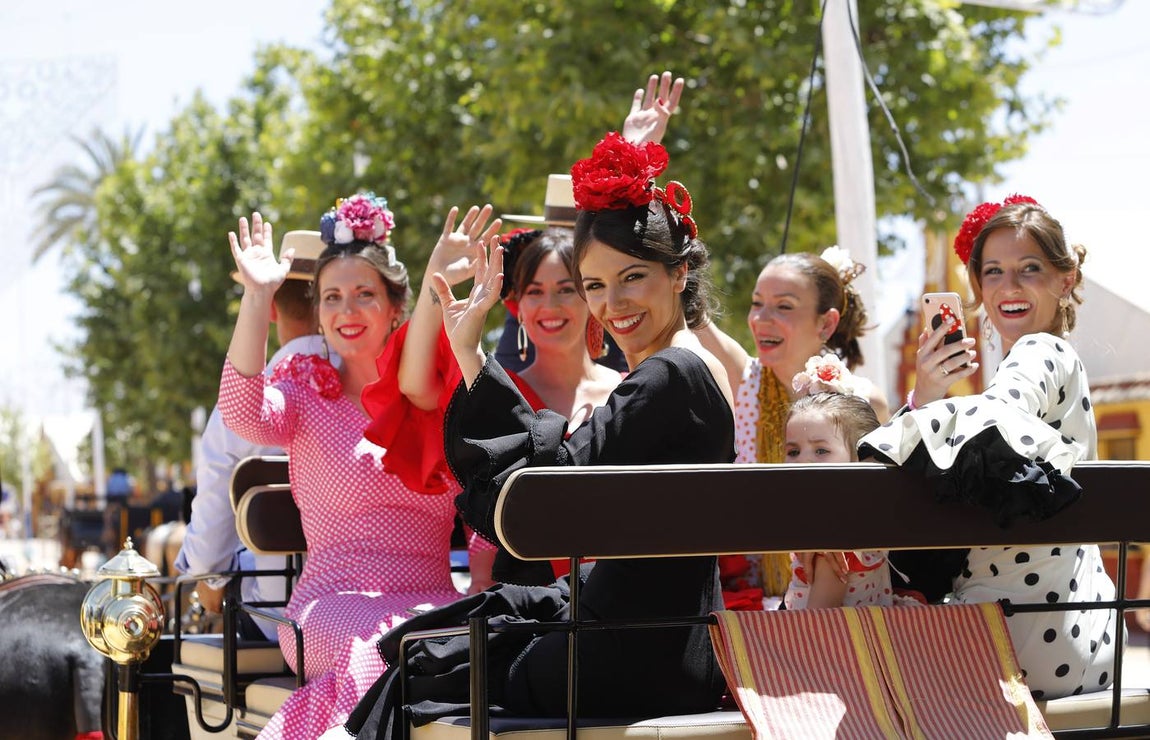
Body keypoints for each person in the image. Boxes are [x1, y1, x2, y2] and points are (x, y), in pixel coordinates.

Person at [346, 131, 733, 739]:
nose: (613, 303)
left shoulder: (668, 375)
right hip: (674, 648)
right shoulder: (702, 368)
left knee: (431, 668)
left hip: (620, 656)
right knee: (448, 639)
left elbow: (546, 490)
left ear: (679, 272)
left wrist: (471, 354)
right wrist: (469, 352)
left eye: (632, 277)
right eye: (595, 285)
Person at [219, 195, 475, 739]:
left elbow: (482, 509)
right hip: (327, 609)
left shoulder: (435, 398)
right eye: (332, 298)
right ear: (318, 314)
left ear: (396, 307)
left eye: (364, 295)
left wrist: (482, 586)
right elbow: (242, 413)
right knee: (390, 648)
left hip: (433, 601)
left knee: (491, 644)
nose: (347, 311)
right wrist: (257, 297)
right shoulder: (306, 388)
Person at [858, 195, 1119, 700]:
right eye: (994, 271)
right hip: (1078, 631)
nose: (1009, 286)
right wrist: (928, 396)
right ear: (978, 286)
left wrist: (917, 410)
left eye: (1029, 268)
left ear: (1065, 280)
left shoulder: (1041, 348)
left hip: (1015, 637)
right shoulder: (1060, 363)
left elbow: (996, 416)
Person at [697, 246, 889, 603]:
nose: (761, 318)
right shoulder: (743, 380)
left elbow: (877, 510)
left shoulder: (863, 402)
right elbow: (692, 313)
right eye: (757, 303)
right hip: (753, 600)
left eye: (784, 306)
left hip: (838, 598)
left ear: (826, 323)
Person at [175, 230, 330, 640]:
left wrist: (208, 578)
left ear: (272, 308)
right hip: (381, 607)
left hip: (276, 620)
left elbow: (211, 526)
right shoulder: (379, 389)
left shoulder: (244, 404)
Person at [781, 356, 909, 610]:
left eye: (821, 451)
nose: (803, 461)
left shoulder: (831, 546)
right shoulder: (863, 517)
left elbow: (818, 619)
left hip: (831, 634)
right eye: (793, 451)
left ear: (860, 457)